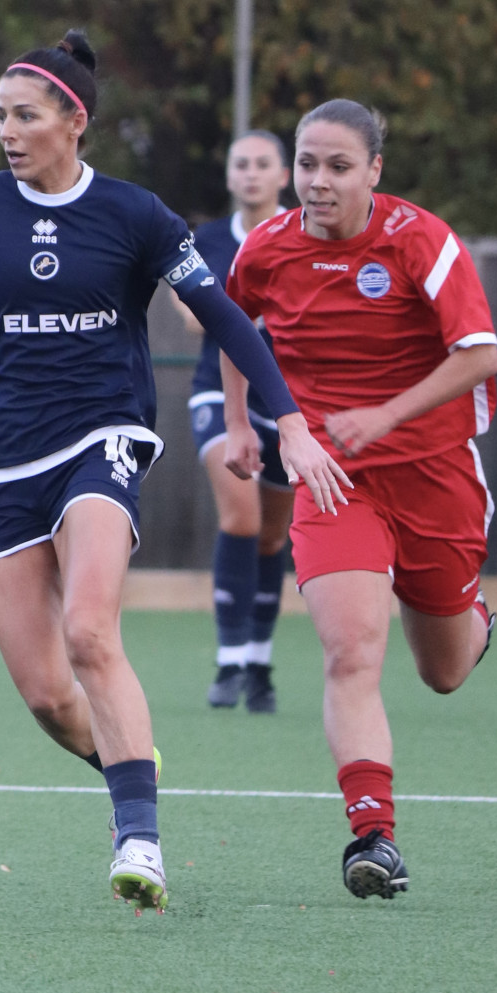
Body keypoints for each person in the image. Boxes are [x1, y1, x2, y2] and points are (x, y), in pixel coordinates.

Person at [0, 31, 349, 914]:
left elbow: (225, 317)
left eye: (25, 115)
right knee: (45, 696)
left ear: (75, 121)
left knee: (89, 631)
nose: (8, 129)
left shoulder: (138, 215)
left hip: (99, 437)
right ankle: (131, 762)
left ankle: (138, 837)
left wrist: (291, 423)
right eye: (0, 115)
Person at [223, 98, 497, 900]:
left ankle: (472, 621)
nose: (317, 181)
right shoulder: (268, 249)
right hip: (331, 481)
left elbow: (481, 354)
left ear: (374, 170)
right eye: (307, 164)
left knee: (443, 672)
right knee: (351, 652)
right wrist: (243, 421)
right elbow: (234, 328)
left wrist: (384, 414)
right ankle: (372, 835)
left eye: (338, 166)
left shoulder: (421, 239)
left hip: (435, 475)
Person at [181, 131, 294, 713]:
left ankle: (258, 661)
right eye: (240, 164)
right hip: (217, 396)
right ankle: (228, 660)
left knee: (274, 536)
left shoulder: (302, 237)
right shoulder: (207, 240)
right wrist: (239, 311)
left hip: (288, 407)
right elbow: (193, 314)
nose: (251, 174)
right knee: (242, 517)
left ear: (283, 176)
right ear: (229, 176)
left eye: (262, 165)